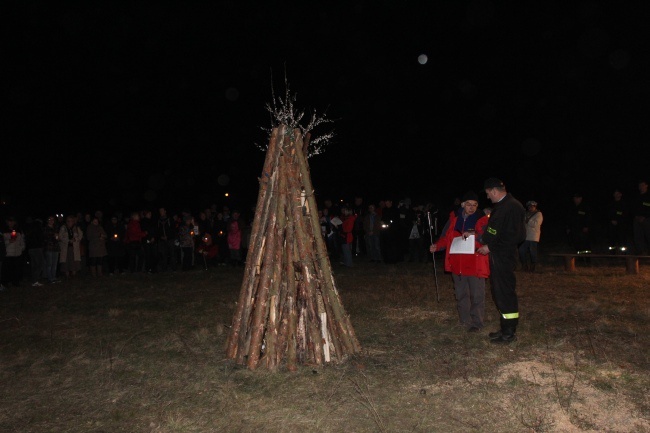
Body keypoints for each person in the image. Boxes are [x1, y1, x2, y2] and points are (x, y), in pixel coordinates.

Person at [430, 191, 490, 332]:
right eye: (468, 204)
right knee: (461, 293)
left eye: (474, 205)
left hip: (475, 263)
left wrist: (474, 235)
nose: (471, 207)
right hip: (458, 264)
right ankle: (464, 320)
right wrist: (437, 246)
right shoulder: (454, 219)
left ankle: (477, 323)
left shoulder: (483, 220)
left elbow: (489, 238)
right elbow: (446, 237)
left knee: (477, 294)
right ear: (463, 205)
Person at [477, 178, 526, 344]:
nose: (488, 197)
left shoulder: (510, 206)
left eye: (488, 194)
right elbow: (498, 231)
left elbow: (514, 235)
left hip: (504, 256)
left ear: (494, 191)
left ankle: (509, 333)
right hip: (500, 255)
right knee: (499, 292)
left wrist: (490, 246)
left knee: (504, 293)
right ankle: (505, 328)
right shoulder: (506, 206)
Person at [518, 200, 543, 272]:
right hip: (525, 236)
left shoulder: (538, 214)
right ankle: (524, 265)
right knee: (521, 250)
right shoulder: (526, 214)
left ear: (535, 207)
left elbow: (536, 224)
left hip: (533, 236)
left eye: (532, 206)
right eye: (529, 206)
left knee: (533, 252)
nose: (530, 208)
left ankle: (533, 266)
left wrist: (528, 220)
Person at [1, 216, 26, 287]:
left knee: (17, 268)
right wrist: (9, 241)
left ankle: (16, 281)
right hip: (8, 253)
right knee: (7, 269)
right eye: (10, 221)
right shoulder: (3, 230)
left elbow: (22, 240)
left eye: (13, 221)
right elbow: (2, 242)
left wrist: (22, 248)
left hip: (17, 253)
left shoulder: (18, 231)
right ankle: (5, 282)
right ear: (7, 222)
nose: (11, 223)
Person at [58, 214, 84, 279]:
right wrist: (68, 240)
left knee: (74, 260)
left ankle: (74, 274)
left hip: (74, 247)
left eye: (71, 221)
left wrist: (75, 239)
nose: (70, 222)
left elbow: (80, 235)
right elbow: (60, 237)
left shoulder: (76, 228)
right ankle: (67, 275)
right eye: (68, 221)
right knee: (66, 261)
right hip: (65, 247)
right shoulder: (63, 228)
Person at [24, 217, 46, 286]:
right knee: (39, 264)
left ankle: (34, 279)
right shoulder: (37, 228)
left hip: (31, 248)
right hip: (37, 248)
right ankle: (35, 280)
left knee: (34, 265)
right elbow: (40, 238)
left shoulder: (29, 229)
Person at [606, 188, 629, 254]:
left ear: (620, 194)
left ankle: (623, 255)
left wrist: (618, 220)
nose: (616, 195)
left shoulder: (624, 203)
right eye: (615, 194)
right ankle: (612, 254)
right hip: (611, 225)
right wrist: (612, 220)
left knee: (622, 240)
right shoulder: (611, 204)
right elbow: (608, 213)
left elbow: (625, 213)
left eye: (618, 193)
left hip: (621, 224)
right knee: (611, 240)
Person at [632, 179, 650, 255]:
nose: (641, 187)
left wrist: (644, 216)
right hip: (637, 219)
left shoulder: (649, 196)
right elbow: (633, 208)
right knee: (638, 236)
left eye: (642, 185)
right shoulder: (637, 197)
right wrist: (636, 216)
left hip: (647, 219)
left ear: (646, 185)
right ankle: (641, 252)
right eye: (640, 186)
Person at [43, 216, 61, 284]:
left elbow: (57, 238)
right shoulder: (45, 228)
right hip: (49, 248)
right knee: (49, 264)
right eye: (50, 219)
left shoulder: (55, 228)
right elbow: (45, 238)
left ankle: (54, 277)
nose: (51, 221)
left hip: (55, 248)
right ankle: (50, 278)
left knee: (54, 264)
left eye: (52, 220)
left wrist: (58, 238)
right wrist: (53, 236)